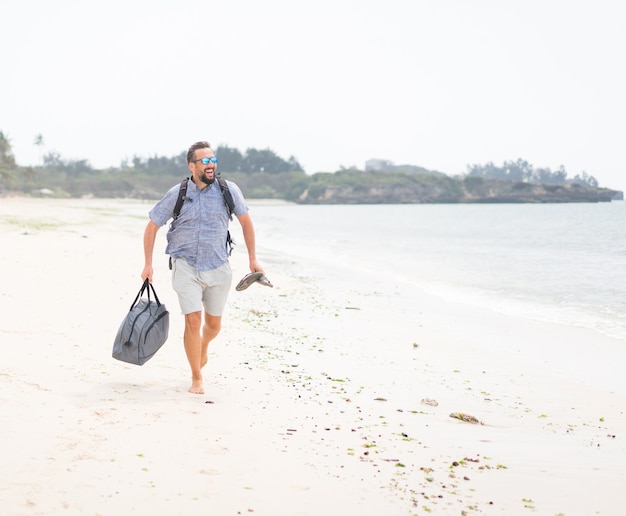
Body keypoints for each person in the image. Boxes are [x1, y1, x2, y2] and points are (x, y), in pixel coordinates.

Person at [141, 141, 264, 394]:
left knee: (213, 326)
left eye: (213, 160)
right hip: (185, 264)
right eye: (205, 161)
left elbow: (246, 223)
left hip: (219, 266)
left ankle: (204, 346)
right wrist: (148, 264)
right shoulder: (178, 192)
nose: (211, 165)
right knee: (192, 320)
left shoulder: (229, 190)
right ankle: (196, 378)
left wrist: (253, 259)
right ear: (192, 165)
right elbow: (152, 225)